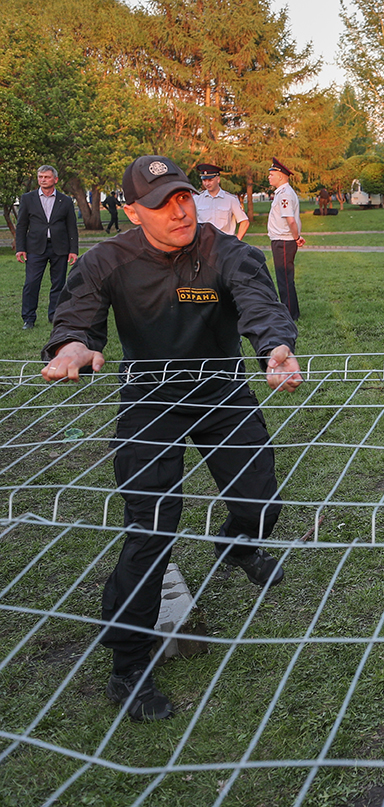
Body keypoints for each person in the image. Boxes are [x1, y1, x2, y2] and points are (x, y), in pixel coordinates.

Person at [40, 154, 302, 721]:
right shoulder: (108, 260)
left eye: (183, 196)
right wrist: (73, 348)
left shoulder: (222, 249)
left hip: (221, 393)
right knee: (151, 527)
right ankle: (129, 664)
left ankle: (239, 545)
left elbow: (259, 301)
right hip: (150, 402)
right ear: (134, 212)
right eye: (162, 204)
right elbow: (78, 316)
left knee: (260, 500)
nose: (180, 211)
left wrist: (275, 348)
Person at [14, 165, 78, 330]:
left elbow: (72, 227)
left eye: (46, 177)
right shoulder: (28, 198)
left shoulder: (66, 200)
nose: (43, 180)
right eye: (40, 177)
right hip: (35, 247)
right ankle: (28, 318)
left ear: (55, 180)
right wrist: (20, 248)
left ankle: (55, 316)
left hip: (60, 248)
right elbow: (21, 225)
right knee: (31, 283)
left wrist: (73, 250)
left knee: (58, 284)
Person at [267, 157, 304, 320]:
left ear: (281, 176)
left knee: (284, 278)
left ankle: (290, 314)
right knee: (284, 277)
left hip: (283, 240)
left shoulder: (284, 195)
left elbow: (290, 219)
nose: (269, 177)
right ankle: (290, 311)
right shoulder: (283, 193)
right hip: (282, 239)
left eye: (271, 174)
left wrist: (296, 238)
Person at [193, 163, 250, 240]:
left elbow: (244, 222)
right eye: (204, 180)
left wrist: (236, 242)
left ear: (218, 179)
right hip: (203, 244)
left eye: (210, 180)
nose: (207, 183)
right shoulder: (196, 199)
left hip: (224, 244)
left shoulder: (230, 199)